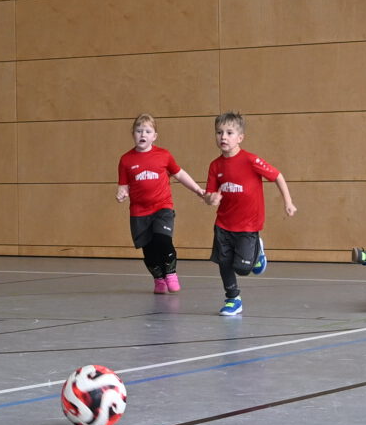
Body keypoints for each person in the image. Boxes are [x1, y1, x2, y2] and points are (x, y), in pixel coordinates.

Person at [204, 111, 295, 318]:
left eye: (229, 133)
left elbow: (277, 176)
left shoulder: (250, 160)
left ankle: (257, 250)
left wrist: (288, 202)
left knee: (243, 269)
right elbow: (209, 195)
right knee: (224, 263)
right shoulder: (215, 166)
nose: (223, 137)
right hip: (223, 224)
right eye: (219, 132)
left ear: (240, 137)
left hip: (248, 225)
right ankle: (233, 299)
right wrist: (211, 199)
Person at [116, 112, 210, 292]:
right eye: (139, 131)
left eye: (147, 131)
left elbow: (180, 174)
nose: (143, 134)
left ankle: (171, 272)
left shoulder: (163, 155)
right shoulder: (126, 160)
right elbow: (123, 185)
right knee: (149, 251)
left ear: (154, 136)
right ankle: (159, 279)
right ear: (133, 134)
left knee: (162, 240)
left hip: (162, 208)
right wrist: (121, 193)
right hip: (139, 213)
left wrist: (198, 190)